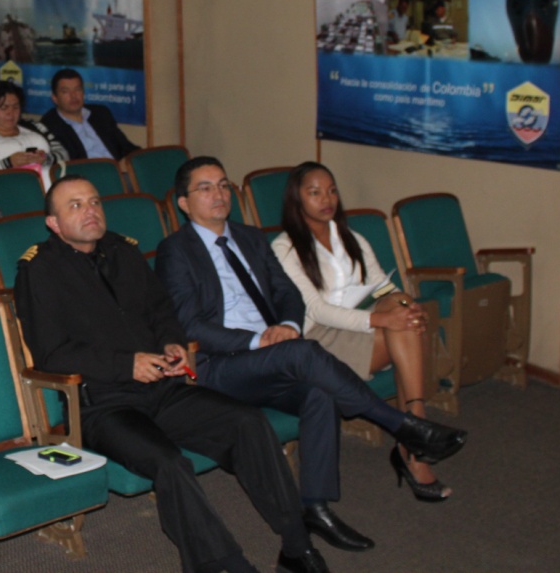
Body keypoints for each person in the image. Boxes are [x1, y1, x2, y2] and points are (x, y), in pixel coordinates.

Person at [155, 157, 468, 553]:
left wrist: (287, 324)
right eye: (205, 188)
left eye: (222, 185)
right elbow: (189, 325)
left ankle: (315, 507)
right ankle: (405, 427)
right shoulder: (175, 251)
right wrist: (257, 342)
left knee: (317, 393)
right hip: (222, 363)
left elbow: (288, 293)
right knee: (306, 354)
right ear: (183, 203)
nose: (218, 195)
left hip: (276, 351)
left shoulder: (251, 238)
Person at [16, 176, 327, 573]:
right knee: (170, 463)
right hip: (104, 404)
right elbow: (52, 353)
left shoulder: (123, 251)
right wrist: (126, 364)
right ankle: (223, 564)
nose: (90, 211)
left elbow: (162, 311)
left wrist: (171, 342)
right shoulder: (39, 270)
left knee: (247, 422)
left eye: (95, 202)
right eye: (75, 206)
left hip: (164, 387)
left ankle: (296, 545)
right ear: (54, 224)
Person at [272, 163, 451, 502]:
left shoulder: (351, 237)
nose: (326, 199)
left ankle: (412, 432)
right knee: (401, 329)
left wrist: (406, 308)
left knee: (402, 305)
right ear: (297, 199)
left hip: (357, 323)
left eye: (332, 191)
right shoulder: (285, 248)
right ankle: (414, 436)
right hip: (318, 340)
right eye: (314, 193)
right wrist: (383, 321)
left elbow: (382, 286)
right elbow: (317, 310)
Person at [0, 80, 67, 187]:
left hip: (51, 188)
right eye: (4, 107)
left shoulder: (36, 126)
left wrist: (46, 159)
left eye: (16, 107)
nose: (11, 113)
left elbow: (65, 155)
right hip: (9, 192)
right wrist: (8, 163)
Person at [39, 68, 141, 161]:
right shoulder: (49, 125)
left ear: (83, 92)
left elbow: (126, 147)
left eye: (78, 89)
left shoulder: (100, 113)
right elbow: (66, 161)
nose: (73, 96)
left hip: (116, 171)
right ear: (55, 98)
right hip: (86, 175)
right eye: (66, 92)